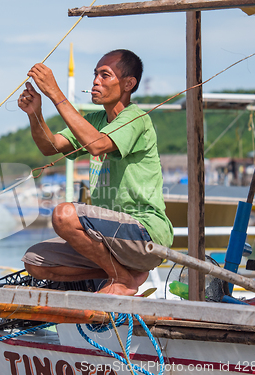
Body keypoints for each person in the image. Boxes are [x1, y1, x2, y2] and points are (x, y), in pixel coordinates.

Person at [17, 49, 173, 296]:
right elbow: (51, 146)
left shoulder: (136, 118)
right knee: (35, 261)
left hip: (144, 233)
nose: (95, 81)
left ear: (128, 84)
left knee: (64, 215)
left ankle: (121, 278)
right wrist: (35, 113)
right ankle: (124, 274)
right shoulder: (97, 119)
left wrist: (56, 93)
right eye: (95, 75)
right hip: (108, 238)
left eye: (105, 75)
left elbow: (97, 144)